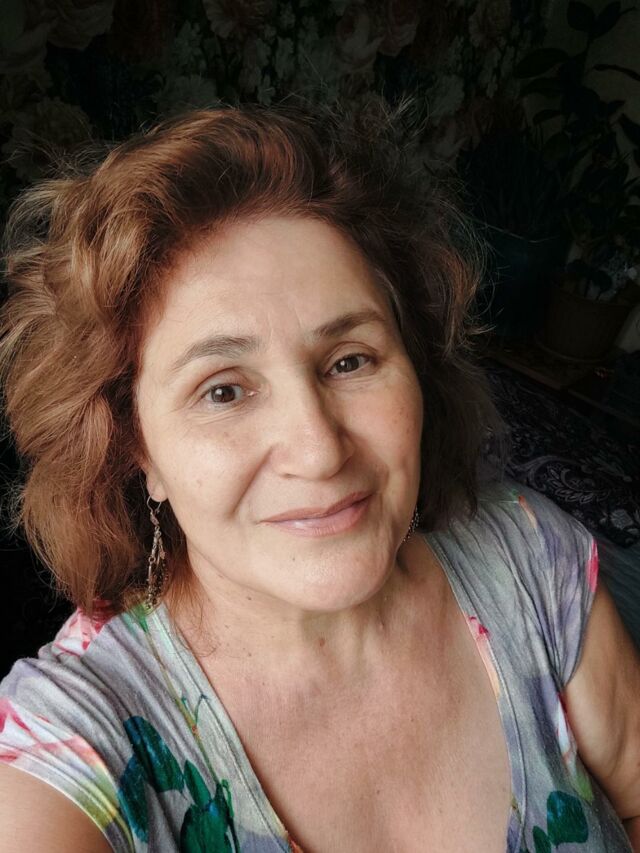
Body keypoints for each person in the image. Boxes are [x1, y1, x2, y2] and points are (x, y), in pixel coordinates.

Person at [0, 101, 638, 853]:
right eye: (223, 390)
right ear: (135, 448)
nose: (319, 450)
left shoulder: (534, 561)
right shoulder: (78, 740)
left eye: (350, 360)